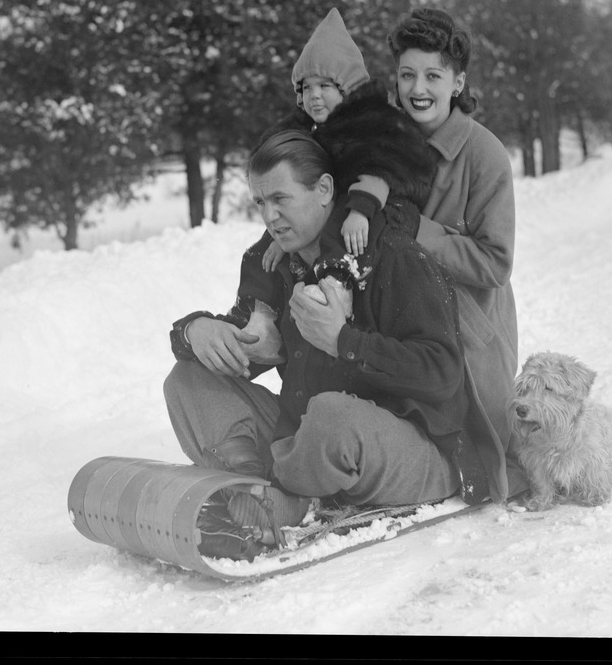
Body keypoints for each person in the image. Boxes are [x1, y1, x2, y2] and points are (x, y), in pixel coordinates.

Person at [164, 131, 469, 551]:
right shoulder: (278, 265)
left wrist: (345, 341)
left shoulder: (394, 255)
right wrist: (195, 331)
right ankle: (253, 490)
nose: (268, 216)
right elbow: (243, 345)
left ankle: (288, 500)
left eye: (280, 199)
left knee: (331, 414)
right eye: (259, 203)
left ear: (324, 190)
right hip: (309, 446)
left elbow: (443, 374)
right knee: (187, 382)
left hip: (405, 451)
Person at [238, 8, 435, 362]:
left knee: (338, 229)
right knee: (261, 251)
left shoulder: (370, 121)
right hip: (338, 207)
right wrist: (283, 235)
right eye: (307, 88)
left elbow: (383, 165)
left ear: (348, 87)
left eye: (325, 86)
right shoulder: (306, 131)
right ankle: (261, 316)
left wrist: (361, 209)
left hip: (381, 208)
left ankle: (335, 288)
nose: (315, 96)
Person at [387, 7, 527, 502]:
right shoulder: (384, 141)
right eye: (407, 75)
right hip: (399, 319)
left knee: (492, 458)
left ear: (457, 81)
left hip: (468, 330)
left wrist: (418, 232)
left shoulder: (485, 154)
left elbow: (495, 263)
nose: (418, 89)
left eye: (432, 75)